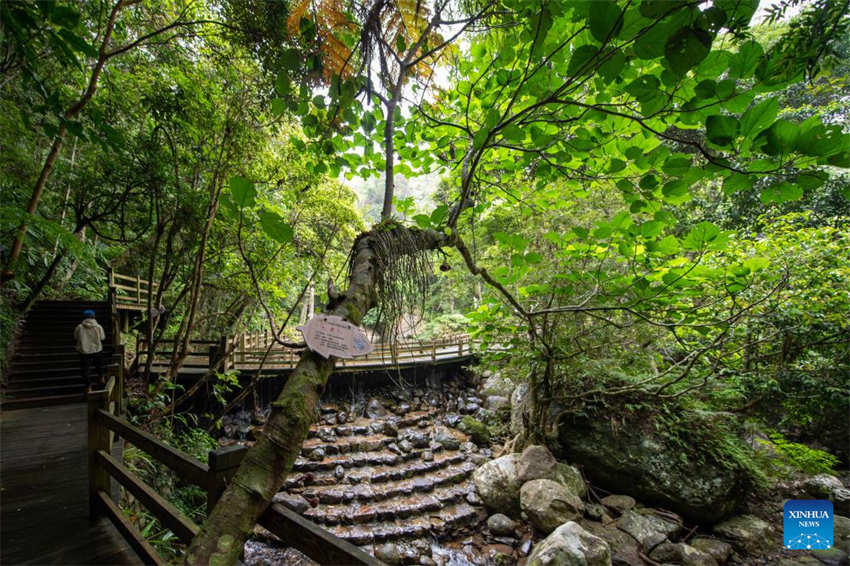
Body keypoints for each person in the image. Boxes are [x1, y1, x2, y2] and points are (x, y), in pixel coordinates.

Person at [75, 309, 105, 389]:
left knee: (85, 369)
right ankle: (101, 377)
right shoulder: (98, 327)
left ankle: (88, 387)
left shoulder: (79, 327)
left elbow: (75, 337)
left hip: (84, 351)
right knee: (99, 365)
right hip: (97, 350)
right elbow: (102, 338)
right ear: (93, 316)